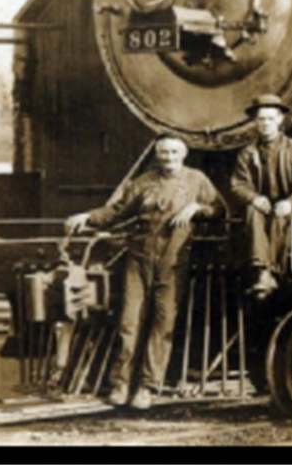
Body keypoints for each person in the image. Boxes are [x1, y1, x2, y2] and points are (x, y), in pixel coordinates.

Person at [65, 134, 224, 411]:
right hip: (139, 256)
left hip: (173, 258)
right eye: (164, 152)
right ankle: (121, 383)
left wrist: (199, 207)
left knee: (163, 324)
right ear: (157, 155)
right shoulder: (144, 182)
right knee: (130, 321)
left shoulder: (197, 180)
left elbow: (220, 210)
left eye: (174, 152)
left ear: (183, 155)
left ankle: (147, 386)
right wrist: (87, 217)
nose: (168, 158)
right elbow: (116, 211)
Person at [230, 94, 292, 299]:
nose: (265, 124)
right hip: (260, 212)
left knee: (281, 216)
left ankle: (273, 271)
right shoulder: (247, 153)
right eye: (261, 119)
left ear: (280, 120)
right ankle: (263, 270)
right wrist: (253, 197)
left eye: (270, 119)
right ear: (255, 122)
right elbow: (238, 185)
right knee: (252, 209)